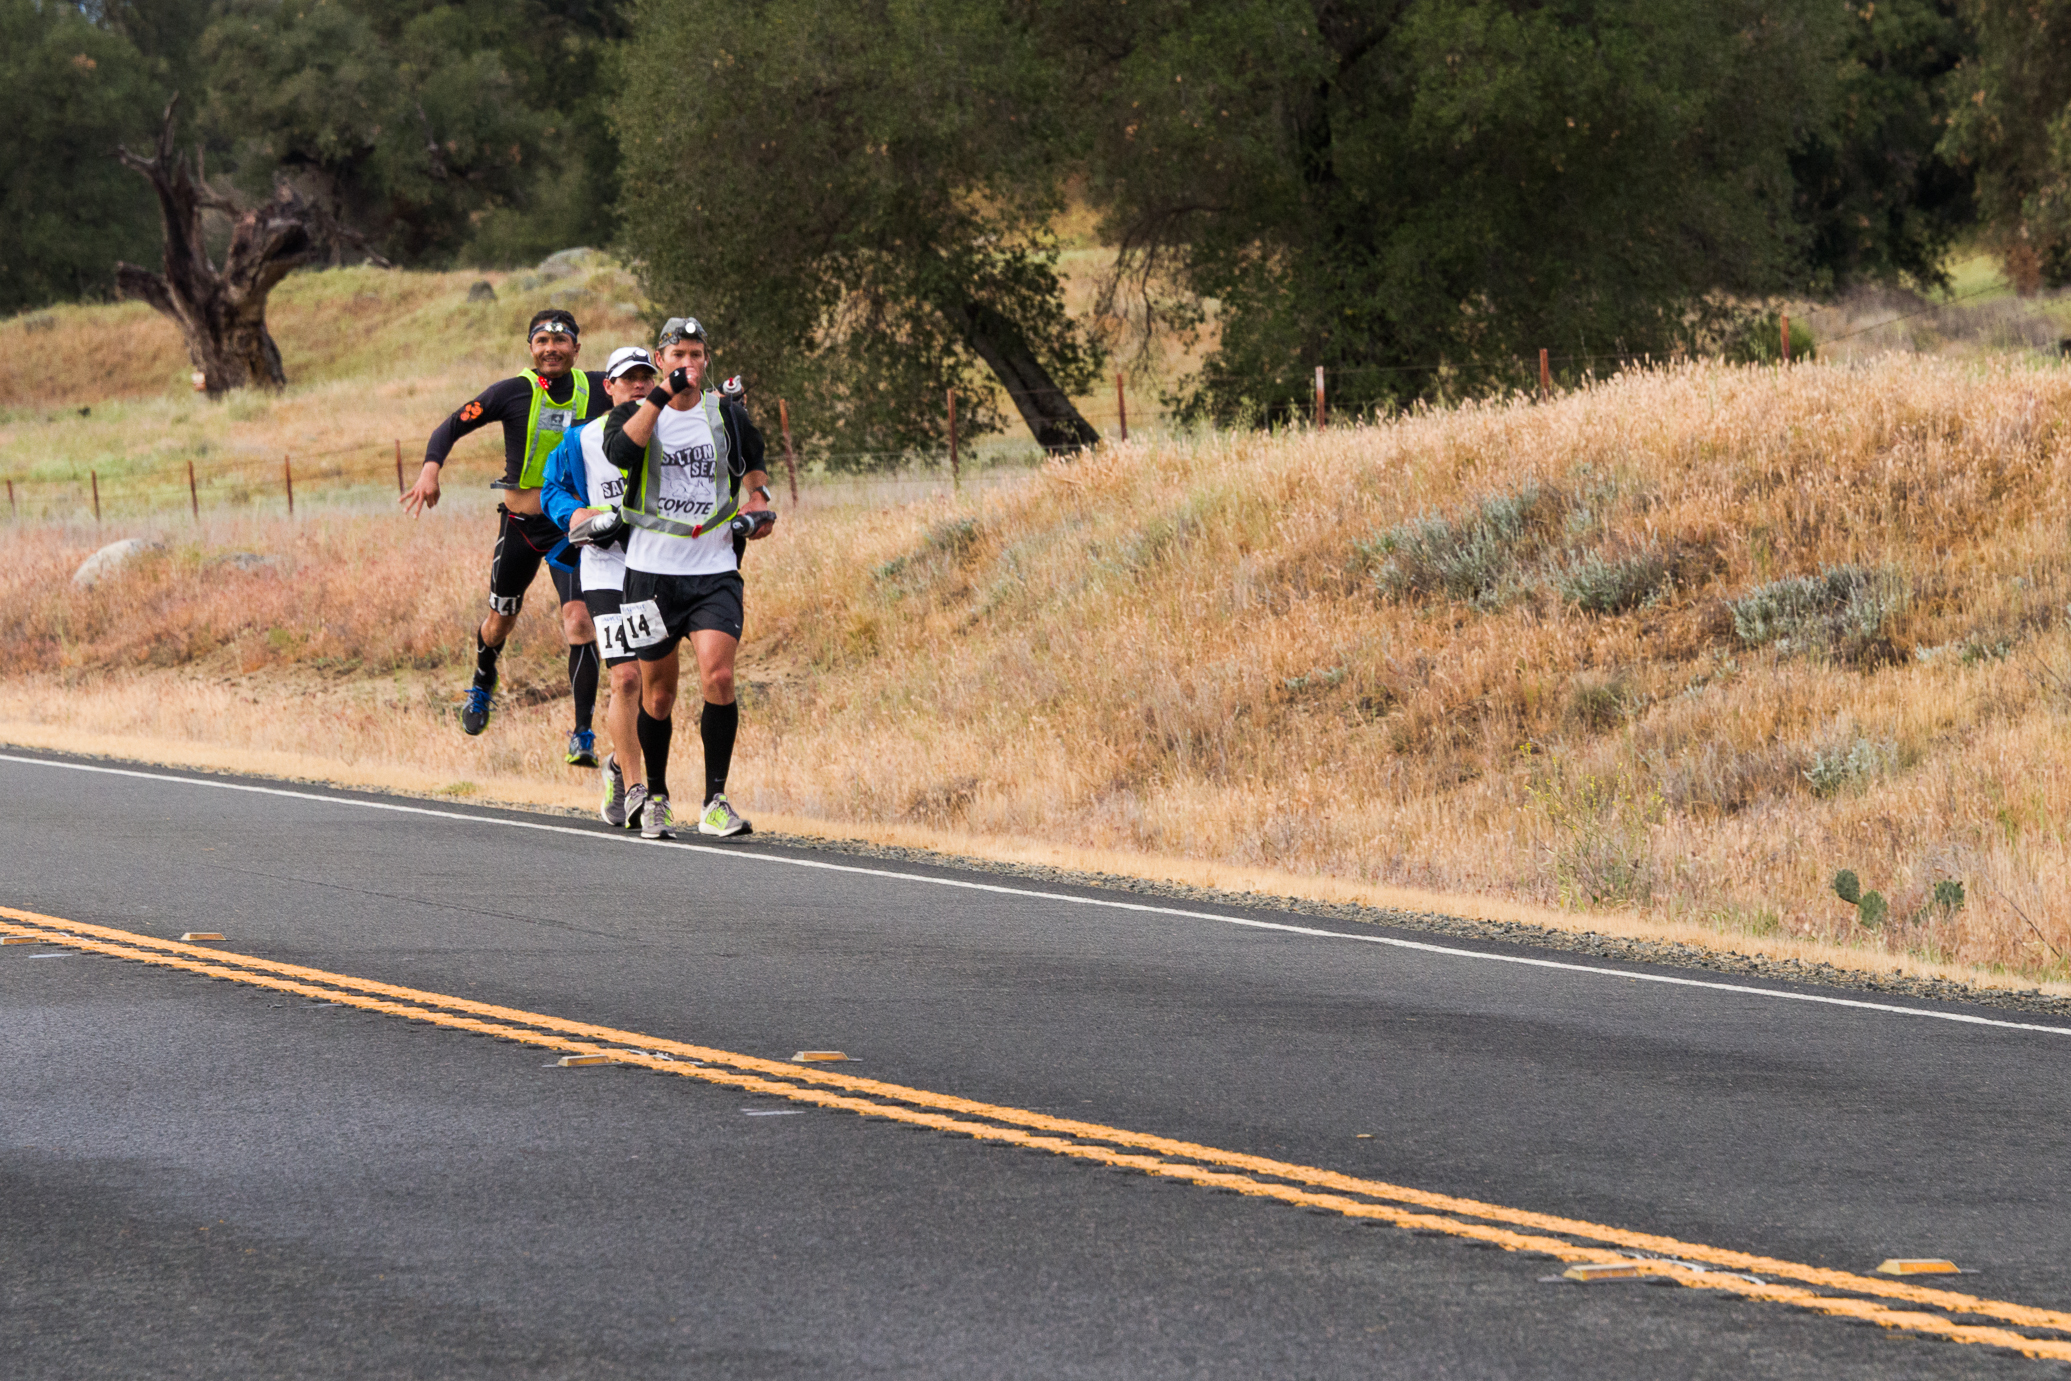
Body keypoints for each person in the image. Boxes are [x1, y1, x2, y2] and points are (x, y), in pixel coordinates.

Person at [400, 308, 612, 763]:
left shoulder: (600, 387)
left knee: (579, 622)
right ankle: (482, 680)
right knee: (499, 622)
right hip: (519, 527)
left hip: (570, 529)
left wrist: (716, 401)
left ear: (577, 346)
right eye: (542, 341)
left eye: (560, 341)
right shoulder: (511, 392)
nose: (551, 349)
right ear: (530, 348)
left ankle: (582, 734)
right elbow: (452, 424)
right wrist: (430, 470)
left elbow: (653, 396)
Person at [600, 316, 775, 839]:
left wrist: (759, 500)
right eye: (678, 355)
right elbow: (620, 454)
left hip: (715, 568)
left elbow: (755, 461)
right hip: (650, 573)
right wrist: (659, 398)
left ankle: (715, 800)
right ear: (661, 360)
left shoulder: (725, 413)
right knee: (657, 696)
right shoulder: (634, 412)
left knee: (719, 678)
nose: (689, 365)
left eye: (697, 355)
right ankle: (654, 795)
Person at [541, 345, 658, 827]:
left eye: (646, 377)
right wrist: (578, 514)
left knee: (656, 689)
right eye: (627, 378)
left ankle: (615, 761)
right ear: (608, 387)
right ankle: (634, 787)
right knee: (626, 677)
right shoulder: (580, 439)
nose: (638, 385)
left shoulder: (671, 433)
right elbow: (552, 489)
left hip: (659, 567)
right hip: (604, 567)